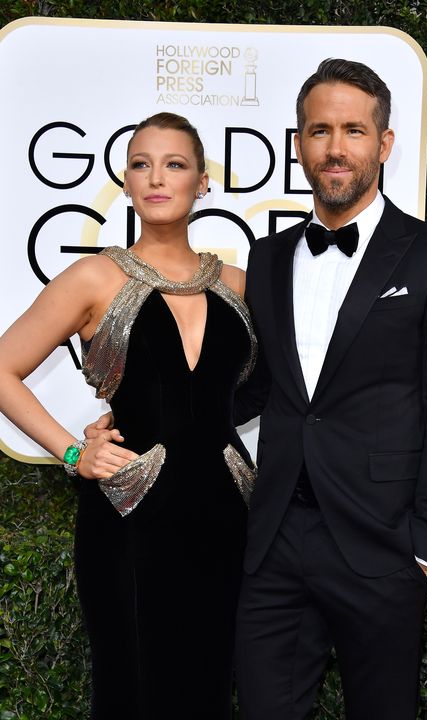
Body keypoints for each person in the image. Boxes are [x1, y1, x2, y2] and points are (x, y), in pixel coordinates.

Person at [233, 58, 427, 720]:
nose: (335, 148)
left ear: (384, 144)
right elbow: (251, 389)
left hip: (383, 545)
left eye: (353, 130)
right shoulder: (267, 257)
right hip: (277, 542)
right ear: (298, 145)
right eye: (319, 131)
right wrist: (145, 415)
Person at [0, 112, 257, 719]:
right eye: (141, 164)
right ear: (125, 179)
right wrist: (72, 449)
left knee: (210, 686)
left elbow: (287, 389)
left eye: (175, 164)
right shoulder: (95, 276)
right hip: (129, 510)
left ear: (203, 181)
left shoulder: (242, 285)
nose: (156, 178)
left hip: (226, 512)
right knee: (129, 684)